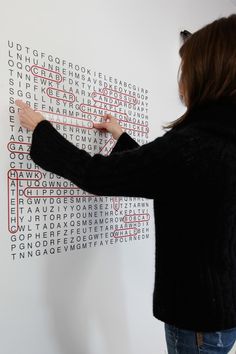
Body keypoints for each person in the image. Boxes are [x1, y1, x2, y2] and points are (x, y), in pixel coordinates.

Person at [16, 13, 236, 354]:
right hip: (222, 314)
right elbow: (169, 175)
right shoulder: (221, 142)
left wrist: (42, 129)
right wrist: (121, 136)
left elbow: (98, 175)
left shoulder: (194, 144)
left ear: (205, 74)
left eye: (185, 69)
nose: (180, 81)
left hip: (196, 321)